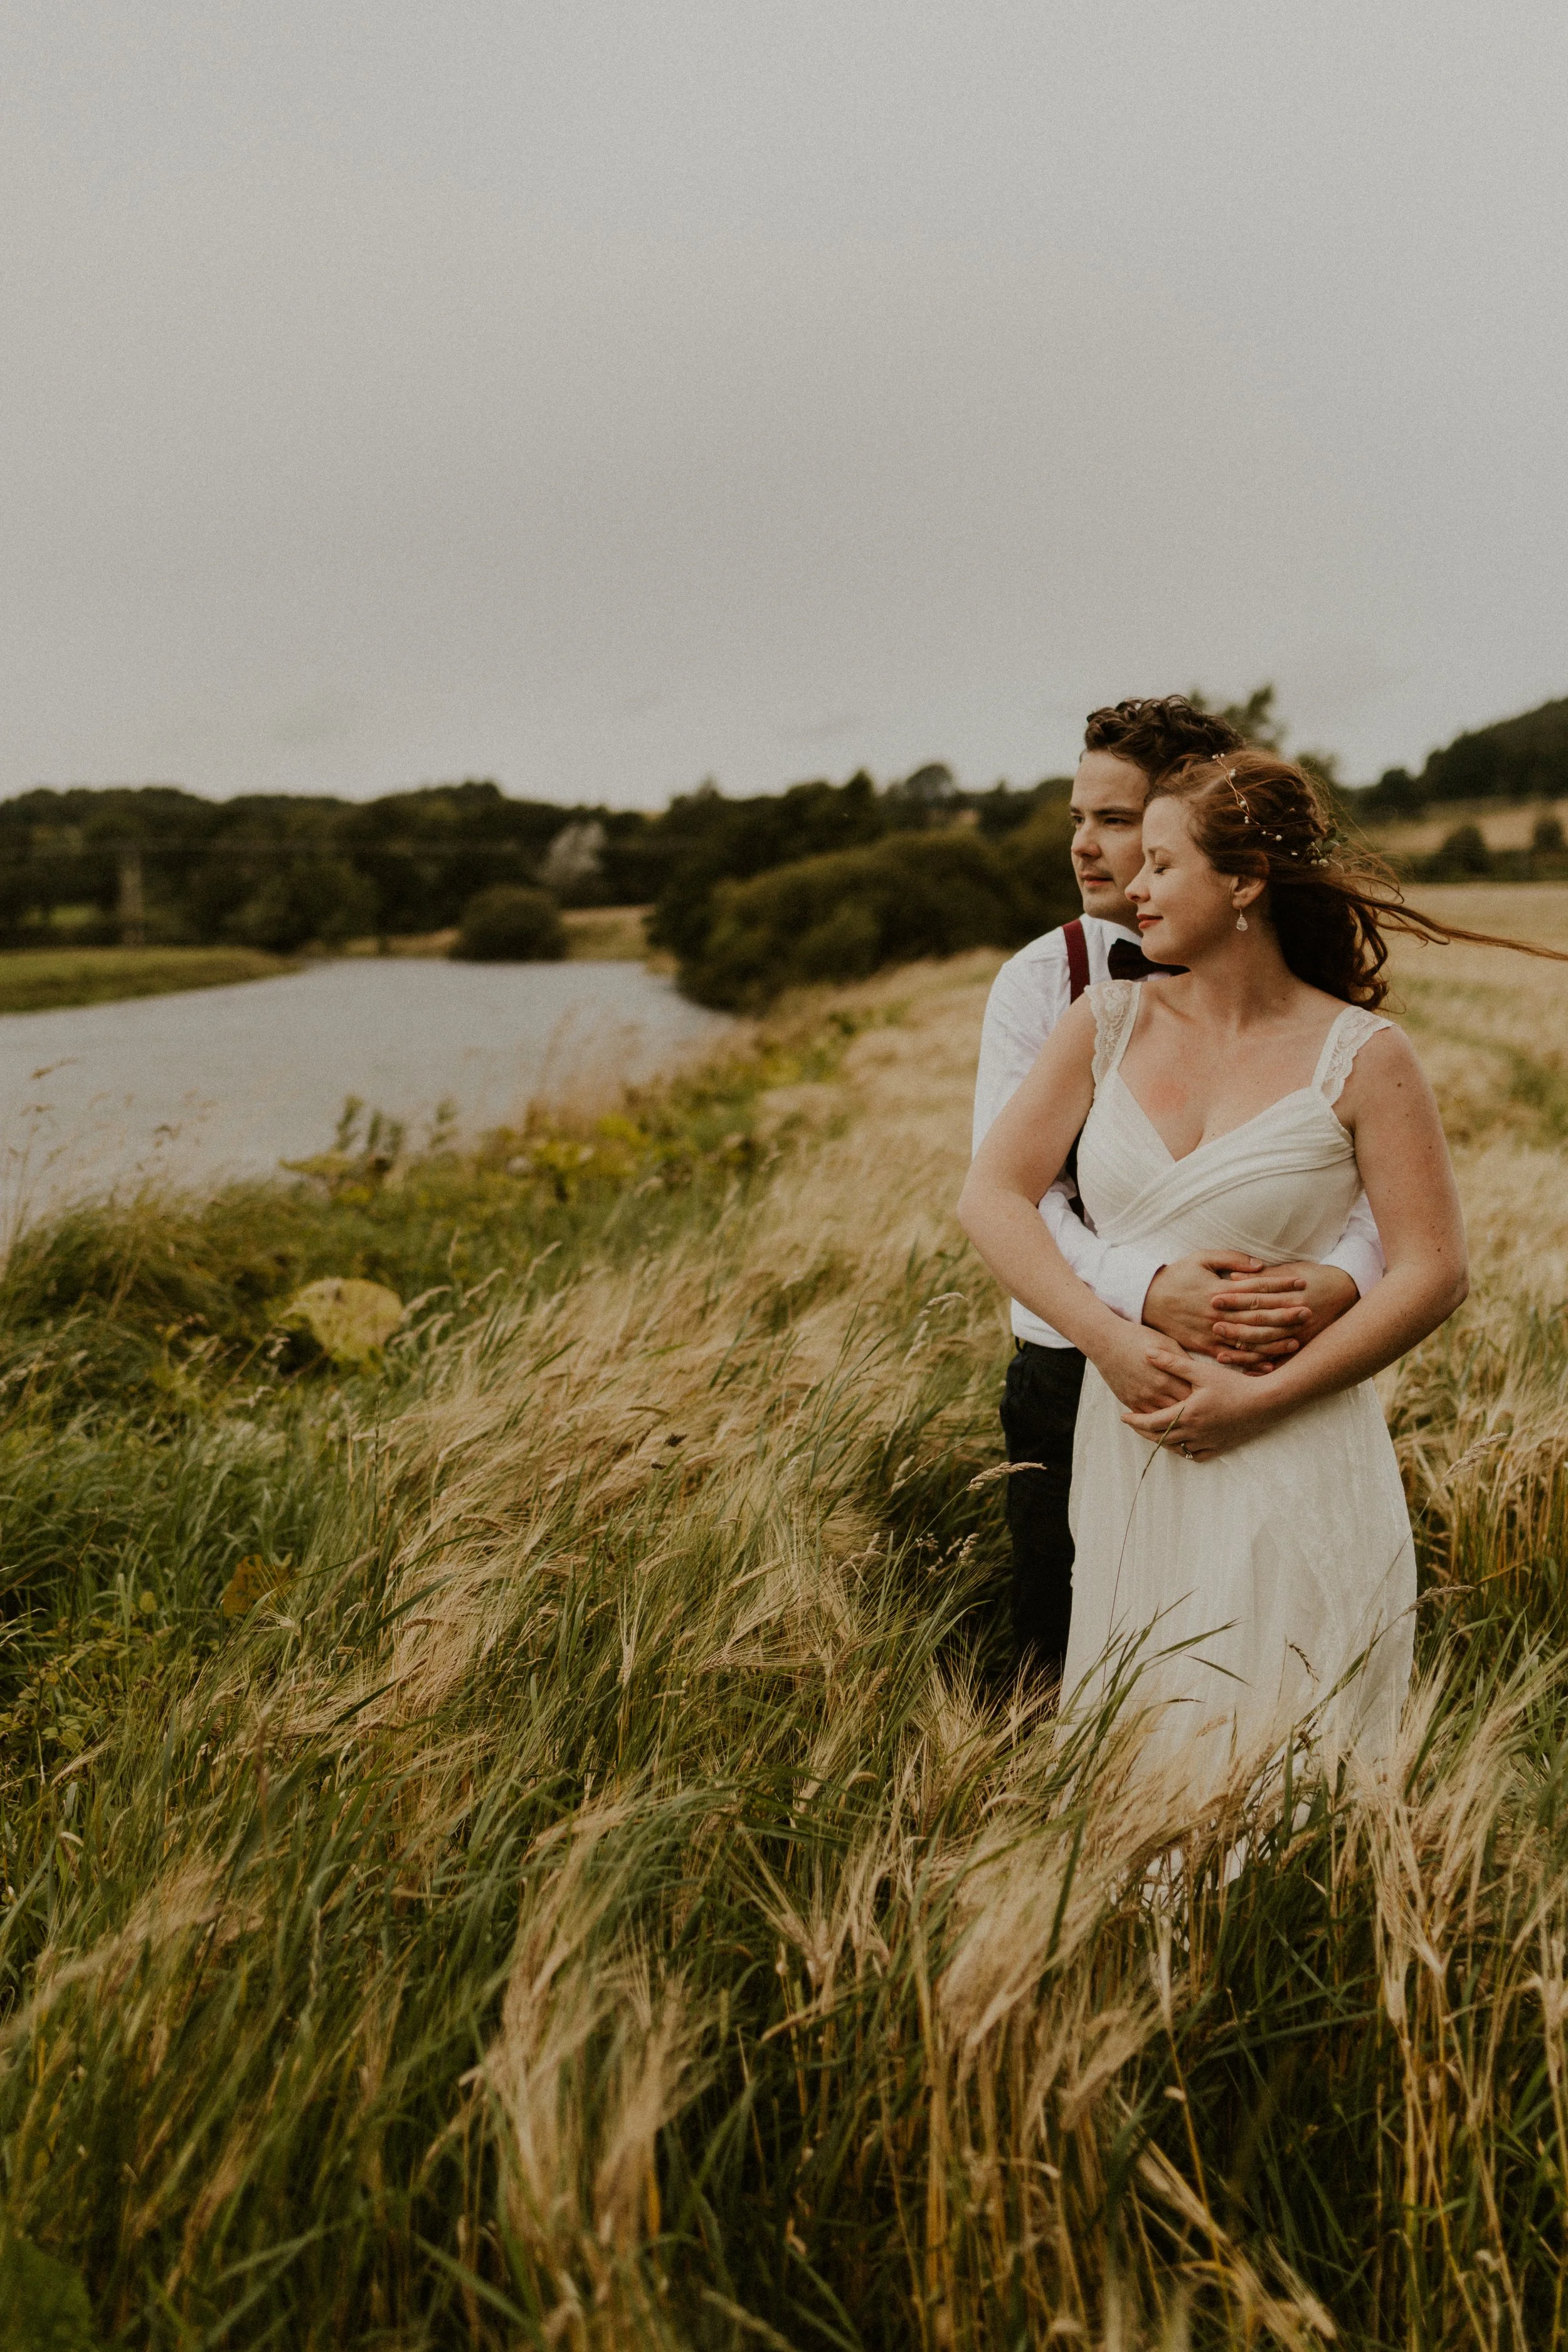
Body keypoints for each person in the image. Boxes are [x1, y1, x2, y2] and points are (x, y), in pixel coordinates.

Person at [960, 748, 1565, 1786]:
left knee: (1282, 1770)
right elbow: (991, 1197)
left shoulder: (1367, 1055)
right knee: (1134, 1762)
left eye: (1163, 864)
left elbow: (1434, 1270)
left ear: (1243, 883)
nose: (1135, 886)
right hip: (1134, 1444)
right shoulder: (1103, 1024)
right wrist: (1110, 1339)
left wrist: (1261, 1399)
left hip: (1295, 1445)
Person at [973, 698, 1384, 1678]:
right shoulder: (1048, 984)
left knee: (1267, 1655)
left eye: (1118, 822)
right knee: (1070, 1661)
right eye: (1079, 818)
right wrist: (1144, 1296)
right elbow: (1016, 1192)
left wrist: (1340, 1281)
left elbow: (1356, 1174)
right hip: (1078, 1362)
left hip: (1265, 1360)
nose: (1087, 846)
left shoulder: (1317, 1000)